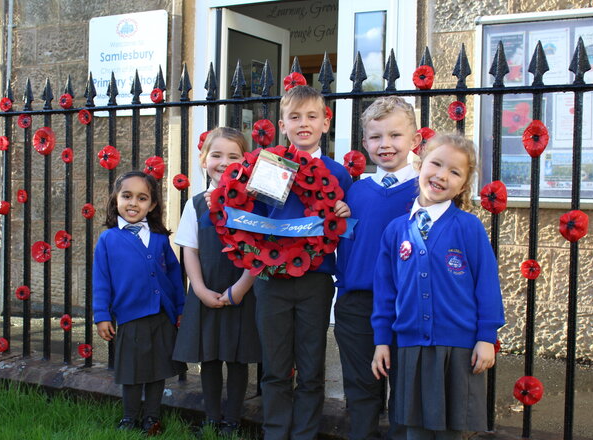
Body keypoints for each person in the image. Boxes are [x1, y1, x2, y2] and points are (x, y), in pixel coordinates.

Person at [371, 133, 505, 440]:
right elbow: (385, 291)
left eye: (455, 172)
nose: (442, 175)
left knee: (450, 431)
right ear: (420, 164)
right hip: (410, 346)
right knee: (413, 429)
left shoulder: (468, 227)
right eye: (436, 164)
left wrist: (486, 336)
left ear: (463, 184)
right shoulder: (396, 230)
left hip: (457, 348)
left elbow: (486, 284)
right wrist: (382, 340)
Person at [253, 85, 353, 440]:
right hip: (272, 280)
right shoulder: (267, 167)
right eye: (295, 117)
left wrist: (343, 211)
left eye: (312, 117)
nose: (304, 124)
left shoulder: (339, 174)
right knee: (275, 367)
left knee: (311, 367)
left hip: (316, 281)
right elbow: (252, 220)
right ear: (282, 124)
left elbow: (346, 229)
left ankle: (305, 434)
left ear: (326, 123)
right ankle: (276, 432)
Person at [335, 96, 421, 440]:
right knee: (360, 392)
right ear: (365, 143)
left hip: (408, 305)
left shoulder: (425, 190)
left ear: (414, 140)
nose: (385, 144)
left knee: (405, 396)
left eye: (395, 136)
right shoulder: (354, 192)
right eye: (376, 137)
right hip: (356, 305)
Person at [173, 127, 261, 436]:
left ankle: (233, 420)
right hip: (207, 289)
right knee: (209, 356)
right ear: (203, 159)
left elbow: (260, 250)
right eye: (217, 155)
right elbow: (190, 249)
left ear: (245, 161)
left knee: (237, 357)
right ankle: (212, 418)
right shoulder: (195, 204)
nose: (224, 162)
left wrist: (239, 289)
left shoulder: (254, 202)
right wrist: (198, 289)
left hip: (241, 289)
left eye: (233, 156)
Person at [93, 170, 185, 436]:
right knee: (132, 372)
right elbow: (101, 280)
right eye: (127, 196)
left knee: (157, 371)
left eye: (142, 198)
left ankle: (152, 417)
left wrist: (181, 309)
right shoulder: (108, 240)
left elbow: (174, 276)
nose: (133, 203)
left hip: (161, 316)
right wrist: (102, 315)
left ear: (152, 205)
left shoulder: (158, 239)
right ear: (116, 199)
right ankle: (130, 417)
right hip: (131, 317)